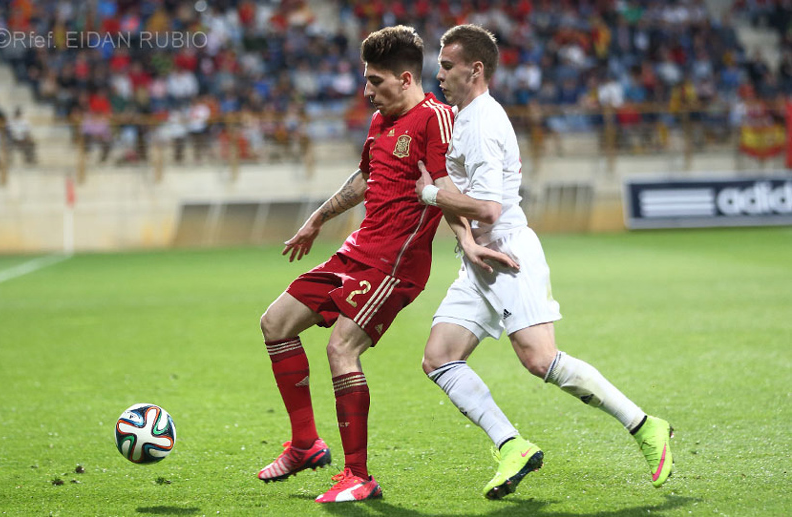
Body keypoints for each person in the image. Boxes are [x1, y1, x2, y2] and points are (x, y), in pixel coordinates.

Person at [414, 24, 674, 499]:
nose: (441, 76)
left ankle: (644, 426)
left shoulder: (484, 124)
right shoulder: (465, 118)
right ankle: (511, 446)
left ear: (475, 70)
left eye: (447, 68)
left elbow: (489, 208)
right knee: (439, 358)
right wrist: (465, 238)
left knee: (540, 360)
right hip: (480, 256)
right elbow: (466, 200)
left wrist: (431, 194)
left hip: (508, 252)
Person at [256, 25, 497, 504]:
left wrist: (467, 242)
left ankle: (358, 475)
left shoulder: (435, 118)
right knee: (275, 323)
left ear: (406, 79)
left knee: (341, 349)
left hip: (395, 265)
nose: (367, 92)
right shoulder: (381, 120)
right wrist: (318, 218)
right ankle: (305, 443)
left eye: (376, 82)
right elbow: (366, 178)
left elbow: (447, 190)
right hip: (356, 252)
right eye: (366, 81)